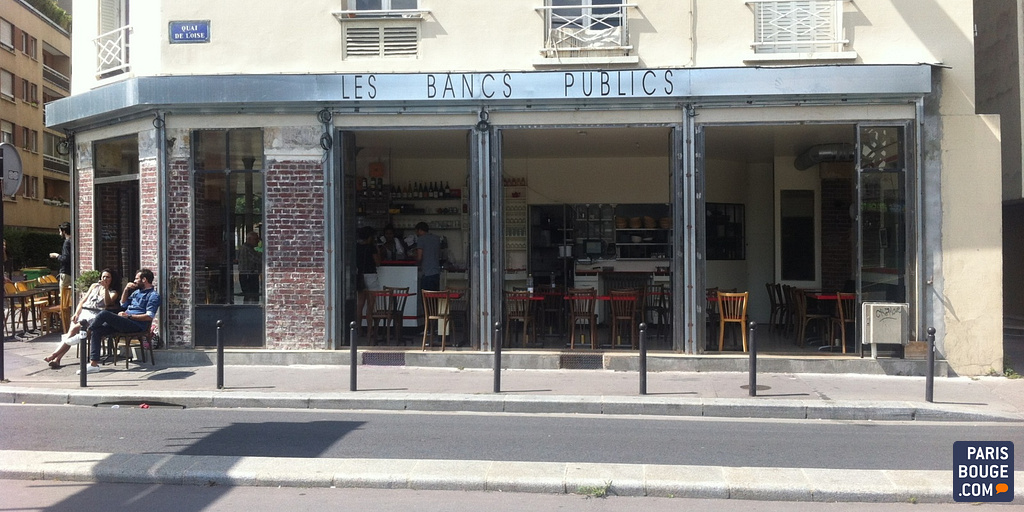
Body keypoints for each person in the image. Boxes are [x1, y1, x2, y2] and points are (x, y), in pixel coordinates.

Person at [78, 268, 161, 374]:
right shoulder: (136, 292)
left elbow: (149, 317)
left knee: (104, 314)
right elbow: (123, 304)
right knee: (97, 330)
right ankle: (94, 364)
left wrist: (129, 316)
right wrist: (126, 289)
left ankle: (86, 332)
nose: (134, 281)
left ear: (144, 279)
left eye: (136, 279)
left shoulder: (153, 295)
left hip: (137, 324)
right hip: (125, 321)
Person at [43, 269, 119, 369]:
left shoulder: (113, 292)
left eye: (108, 277)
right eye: (103, 276)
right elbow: (82, 301)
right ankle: (57, 359)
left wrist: (105, 288)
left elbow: (107, 303)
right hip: (84, 312)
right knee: (71, 333)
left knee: (73, 330)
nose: (105, 279)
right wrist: (76, 313)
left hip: (96, 315)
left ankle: (54, 355)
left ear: (112, 279)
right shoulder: (94, 286)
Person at [355, 226, 381, 336]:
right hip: (371, 276)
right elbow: (378, 262)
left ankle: (358, 330)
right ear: (370, 237)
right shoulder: (371, 247)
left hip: (359, 276)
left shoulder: (356, 247)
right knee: (371, 305)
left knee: (359, 305)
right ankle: (370, 330)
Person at [414, 222, 442, 292]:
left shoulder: (421, 239)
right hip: (436, 273)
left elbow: (419, 257)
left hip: (427, 273)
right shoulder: (436, 238)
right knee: (434, 298)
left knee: (426, 299)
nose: (417, 234)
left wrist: (415, 261)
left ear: (420, 230)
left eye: (417, 232)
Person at [237, 231, 262, 303]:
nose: (257, 241)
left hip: (248, 275)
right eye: (256, 239)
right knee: (251, 295)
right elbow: (257, 259)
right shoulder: (247, 249)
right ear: (249, 239)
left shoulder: (246, 248)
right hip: (249, 275)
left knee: (249, 295)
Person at [49, 222, 72, 293]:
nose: (59, 234)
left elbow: (65, 258)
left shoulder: (66, 243)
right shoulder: (73, 241)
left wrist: (56, 255)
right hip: (71, 272)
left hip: (66, 273)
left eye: (60, 231)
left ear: (64, 231)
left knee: (64, 295)